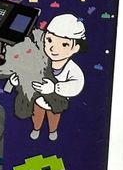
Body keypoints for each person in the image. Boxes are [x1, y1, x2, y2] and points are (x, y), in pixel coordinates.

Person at [31, 12, 86, 141]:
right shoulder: (41, 60)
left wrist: (55, 88)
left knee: (53, 117)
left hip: (57, 102)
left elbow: (76, 85)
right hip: (38, 99)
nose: (53, 48)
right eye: (49, 40)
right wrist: (16, 81)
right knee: (36, 115)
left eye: (64, 44)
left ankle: (53, 131)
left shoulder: (72, 69)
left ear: (75, 48)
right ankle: (36, 129)